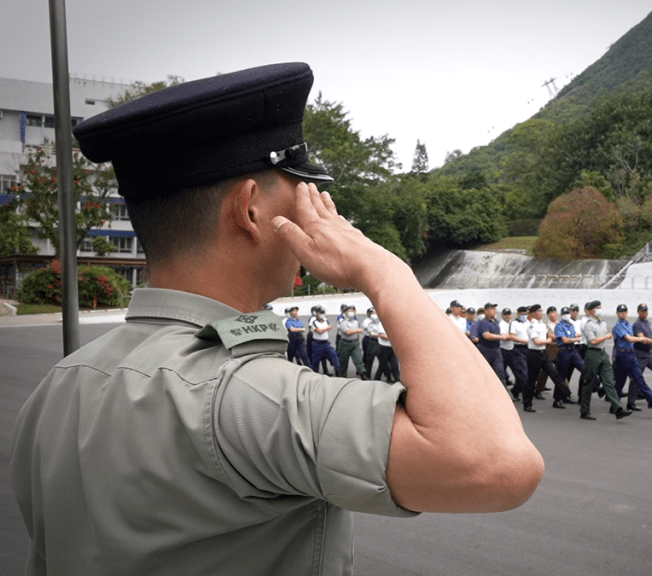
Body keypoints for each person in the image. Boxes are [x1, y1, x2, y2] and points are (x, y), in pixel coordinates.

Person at [11, 63, 543, 576]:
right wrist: (387, 273)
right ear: (249, 210)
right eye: (306, 198)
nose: (326, 219)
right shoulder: (248, 396)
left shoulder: (59, 388)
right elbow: (498, 464)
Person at [579, 301, 631, 420]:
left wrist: (604, 338)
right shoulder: (588, 324)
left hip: (602, 353)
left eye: (600, 307)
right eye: (597, 308)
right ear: (592, 311)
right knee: (588, 382)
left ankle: (618, 409)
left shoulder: (602, 323)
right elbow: (592, 341)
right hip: (592, 353)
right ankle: (584, 410)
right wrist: (606, 337)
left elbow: (602, 337)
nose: (599, 310)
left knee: (609, 381)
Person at [612, 304, 652, 411]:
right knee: (620, 383)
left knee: (639, 377)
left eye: (625, 311)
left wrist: (642, 339)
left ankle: (651, 400)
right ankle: (614, 405)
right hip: (622, 355)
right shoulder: (618, 326)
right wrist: (641, 339)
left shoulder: (629, 325)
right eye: (621, 312)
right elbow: (629, 338)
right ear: (617, 314)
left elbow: (633, 339)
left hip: (631, 354)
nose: (623, 313)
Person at [524, 304, 572, 412]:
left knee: (554, 373)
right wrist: (548, 341)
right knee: (532, 380)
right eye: (539, 311)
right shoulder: (532, 325)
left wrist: (550, 337)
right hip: (534, 354)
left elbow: (547, 335)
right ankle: (527, 404)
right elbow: (536, 341)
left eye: (541, 310)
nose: (541, 312)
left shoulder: (542, 324)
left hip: (544, 353)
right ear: (533, 313)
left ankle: (566, 392)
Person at [475, 303, 508, 385]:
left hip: (496, 350)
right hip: (485, 350)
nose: (494, 310)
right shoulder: (484, 322)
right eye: (491, 308)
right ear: (486, 311)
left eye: (494, 308)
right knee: (484, 375)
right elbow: (486, 335)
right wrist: (500, 337)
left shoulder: (496, 322)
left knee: (501, 374)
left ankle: (503, 396)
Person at [555, 306, 585, 388]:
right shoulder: (559, 326)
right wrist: (576, 339)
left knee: (584, 368)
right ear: (561, 315)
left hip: (573, 350)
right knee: (563, 375)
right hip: (564, 351)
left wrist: (580, 335)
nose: (566, 315)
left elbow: (572, 334)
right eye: (564, 314)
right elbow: (565, 340)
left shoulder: (571, 325)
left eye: (567, 313)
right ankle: (559, 398)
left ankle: (594, 386)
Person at [336, 304, 369, 379]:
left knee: (358, 359)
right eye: (350, 311)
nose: (352, 312)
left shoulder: (355, 322)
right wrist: (357, 330)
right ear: (346, 313)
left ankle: (363, 374)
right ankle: (342, 377)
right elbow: (347, 332)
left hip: (354, 343)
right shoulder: (343, 322)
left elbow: (357, 333)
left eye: (353, 311)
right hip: (345, 343)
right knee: (343, 363)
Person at [507, 306, 532, 401]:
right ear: (518, 314)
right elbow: (512, 336)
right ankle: (526, 396)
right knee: (523, 373)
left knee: (527, 373)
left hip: (528, 349)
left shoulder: (528, 323)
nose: (524, 315)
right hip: (518, 349)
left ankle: (516, 390)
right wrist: (523, 341)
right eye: (522, 314)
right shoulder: (514, 323)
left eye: (525, 314)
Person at [310, 307, 341, 376]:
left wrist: (326, 328)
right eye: (321, 313)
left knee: (333, 355)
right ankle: (314, 375)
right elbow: (319, 331)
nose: (323, 314)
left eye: (323, 313)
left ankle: (338, 371)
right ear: (318, 314)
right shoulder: (314, 322)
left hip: (325, 343)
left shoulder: (326, 321)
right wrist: (327, 328)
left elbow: (326, 330)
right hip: (317, 343)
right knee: (316, 360)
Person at [375, 318, 400, 383]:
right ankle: (376, 380)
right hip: (383, 348)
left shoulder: (394, 324)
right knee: (382, 366)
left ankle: (398, 382)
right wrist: (394, 337)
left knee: (395, 366)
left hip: (392, 348)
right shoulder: (381, 324)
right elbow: (383, 336)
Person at [362, 306, 379, 376]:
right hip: (368, 338)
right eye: (373, 313)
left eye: (375, 312)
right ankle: (365, 371)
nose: (374, 314)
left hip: (377, 339)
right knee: (367, 356)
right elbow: (369, 329)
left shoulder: (378, 320)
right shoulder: (366, 321)